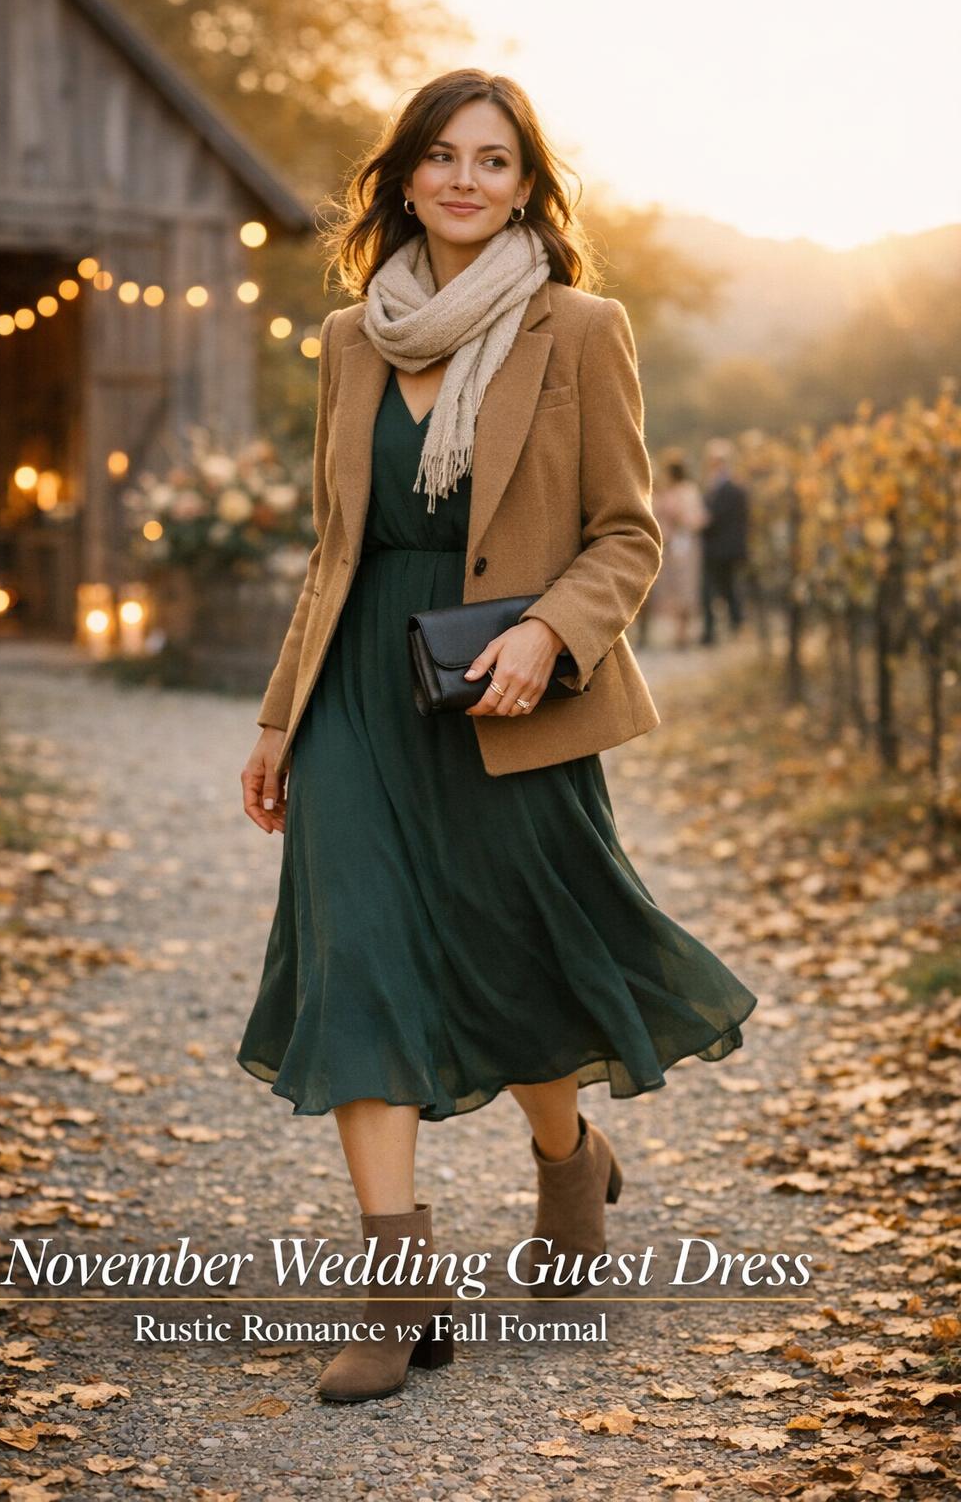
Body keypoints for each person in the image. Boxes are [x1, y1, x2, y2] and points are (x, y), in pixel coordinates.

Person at [238, 69, 757, 1404]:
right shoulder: (351, 339)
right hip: (359, 693)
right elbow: (336, 549)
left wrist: (548, 634)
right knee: (359, 958)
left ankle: (569, 1164)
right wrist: (280, 717)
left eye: (494, 161)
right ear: (405, 177)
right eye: (442, 156)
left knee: (520, 956)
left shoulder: (579, 327)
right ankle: (399, 1295)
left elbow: (627, 532)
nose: (465, 179)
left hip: (509, 692)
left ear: (525, 189)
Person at [650, 457, 710, 649]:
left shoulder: (688, 491)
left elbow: (698, 518)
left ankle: (683, 632)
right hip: (669, 547)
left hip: (686, 546)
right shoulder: (664, 492)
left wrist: (679, 516)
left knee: (686, 587)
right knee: (672, 588)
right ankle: (677, 630)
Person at [699, 438, 749, 644]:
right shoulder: (716, 486)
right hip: (718, 548)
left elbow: (715, 517)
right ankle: (718, 630)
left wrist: (700, 522)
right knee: (720, 589)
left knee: (720, 589)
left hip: (723, 549)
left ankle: (728, 628)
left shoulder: (730, 488)